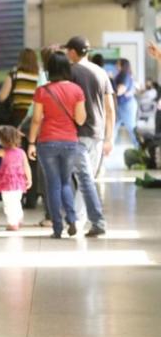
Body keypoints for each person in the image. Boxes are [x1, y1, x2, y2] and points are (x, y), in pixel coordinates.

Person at [27, 51, 87, 239]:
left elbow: (36, 120)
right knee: (66, 183)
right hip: (70, 142)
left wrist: (30, 143)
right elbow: (80, 119)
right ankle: (71, 219)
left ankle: (57, 228)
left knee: (53, 185)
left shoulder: (42, 91)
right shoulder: (77, 90)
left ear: (49, 69)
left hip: (47, 142)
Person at [65, 36, 115, 237]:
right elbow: (110, 108)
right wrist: (109, 138)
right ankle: (80, 220)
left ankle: (81, 220)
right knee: (86, 179)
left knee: (81, 179)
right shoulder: (101, 72)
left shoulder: (70, 72)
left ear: (73, 52)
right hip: (98, 134)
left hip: (77, 133)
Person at [0, 126, 31, 231]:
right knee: (16, 201)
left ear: (4, 140)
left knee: (8, 203)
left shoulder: (3, 151)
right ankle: (18, 218)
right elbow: (26, 166)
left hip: (7, 183)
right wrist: (29, 179)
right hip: (19, 182)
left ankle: (12, 223)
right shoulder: (21, 152)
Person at [0, 48, 40, 126]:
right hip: (35, 115)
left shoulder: (14, 74)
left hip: (17, 117)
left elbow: (2, 97)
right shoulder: (39, 76)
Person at [113, 58, 139, 147]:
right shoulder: (124, 74)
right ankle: (106, 151)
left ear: (122, 64)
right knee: (113, 128)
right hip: (122, 104)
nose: (116, 65)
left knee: (131, 128)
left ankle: (140, 149)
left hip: (126, 105)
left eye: (118, 63)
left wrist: (109, 94)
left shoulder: (124, 74)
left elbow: (121, 90)